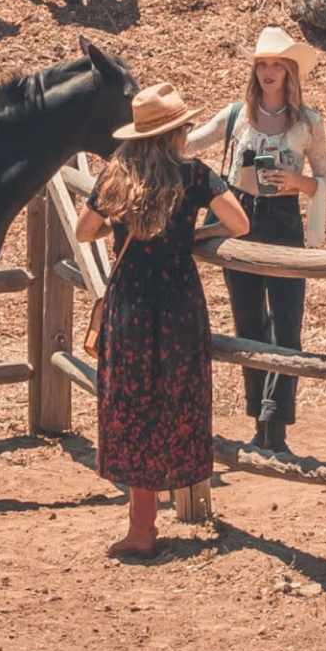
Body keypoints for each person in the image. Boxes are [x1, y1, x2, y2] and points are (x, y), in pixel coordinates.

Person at [75, 83, 233, 558]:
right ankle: (178, 494)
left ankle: (142, 527)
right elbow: (239, 222)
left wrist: (121, 225)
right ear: (179, 132)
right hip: (179, 300)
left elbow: (85, 231)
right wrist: (194, 233)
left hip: (130, 306)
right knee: (178, 398)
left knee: (132, 407)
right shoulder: (196, 176)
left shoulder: (117, 175)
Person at [196, 26, 326, 454]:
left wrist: (300, 183)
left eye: (277, 65)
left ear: (291, 73)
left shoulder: (309, 122)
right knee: (249, 320)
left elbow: (325, 178)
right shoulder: (236, 114)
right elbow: (190, 143)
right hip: (240, 216)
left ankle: (276, 424)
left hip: (283, 220)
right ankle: (260, 421)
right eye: (263, 65)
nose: (269, 72)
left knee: (288, 323)